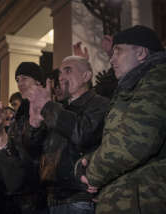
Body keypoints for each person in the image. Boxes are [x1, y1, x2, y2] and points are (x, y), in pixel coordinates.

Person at [75, 25, 166, 213]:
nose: (112, 59)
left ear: (140, 53)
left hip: (146, 201)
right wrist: (86, 163)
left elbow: (135, 140)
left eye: (118, 51)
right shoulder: (133, 85)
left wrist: (92, 174)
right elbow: (115, 141)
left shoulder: (158, 78)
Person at [26, 56, 110, 214]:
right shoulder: (57, 109)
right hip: (50, 198)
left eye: (68, 70)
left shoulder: (100, 104)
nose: (61, 77)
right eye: (60, 73)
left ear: (86, 76)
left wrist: (47, 105)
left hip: (79, 199)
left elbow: (83, 134)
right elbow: (33, 151)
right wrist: (34, 125)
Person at [7, 62, 48, 214]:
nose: (19, 83)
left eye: (24, 78)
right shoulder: (19, 114)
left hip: (43, 192)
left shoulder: (50, 107)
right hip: (21, 191)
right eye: (17, 79)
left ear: (38, 81)